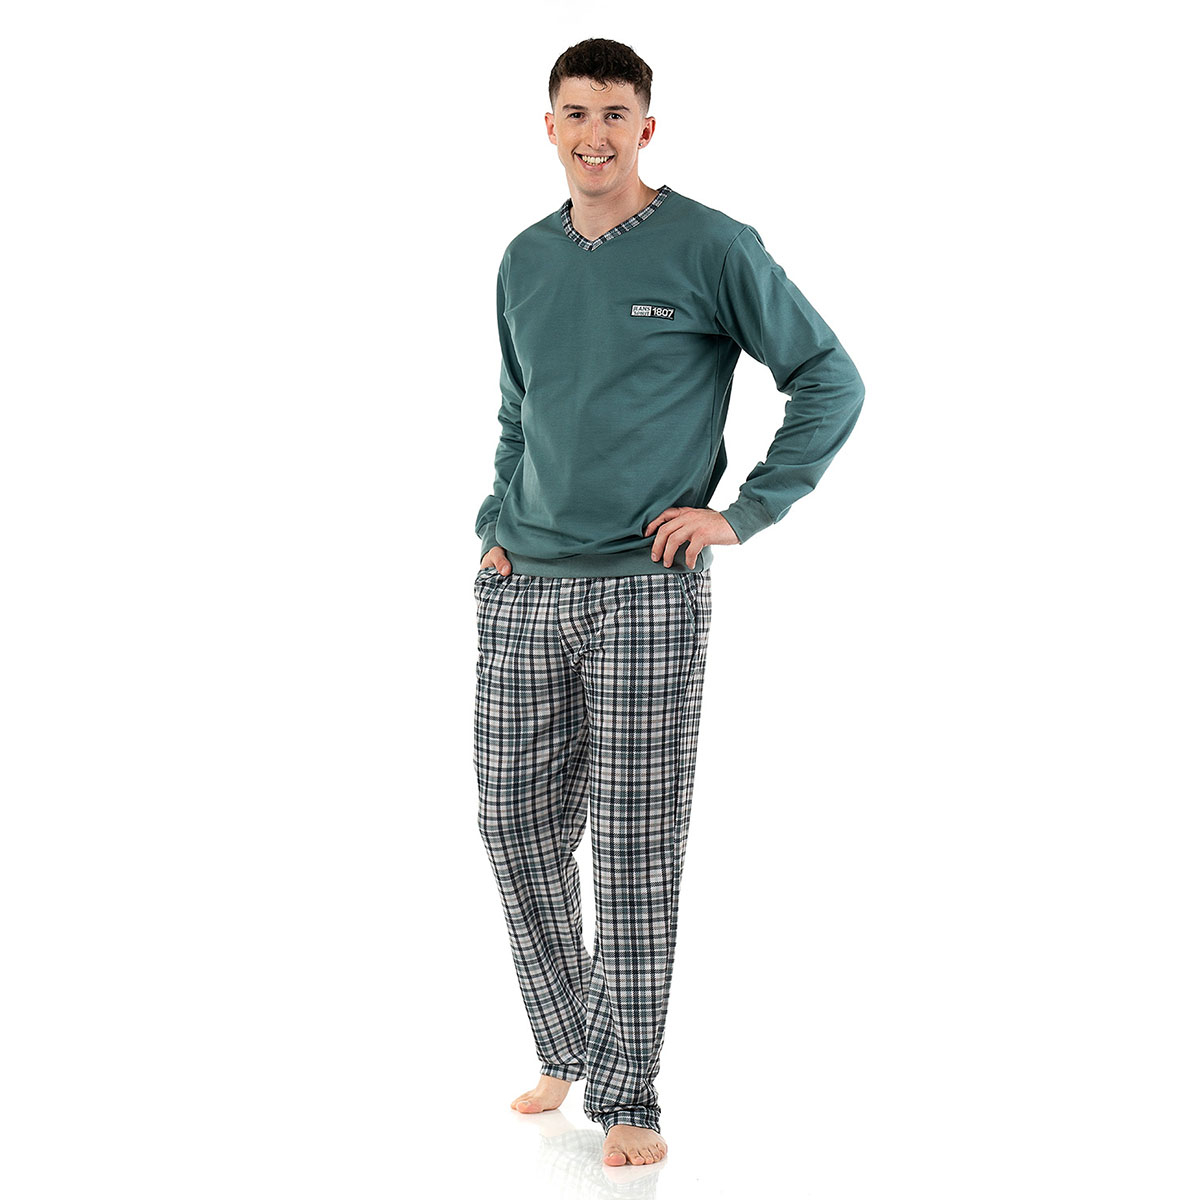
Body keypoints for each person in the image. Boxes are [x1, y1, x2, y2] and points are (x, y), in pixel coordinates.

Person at [473, 37, 865, 1168]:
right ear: (548, 126)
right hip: (522, 584)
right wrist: (495, 523)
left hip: (648, 589)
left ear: (646, 128)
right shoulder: (522, 257)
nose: (593, 134)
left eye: (615, 114)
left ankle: (628, 1092)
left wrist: (746, 512)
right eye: (574, 113)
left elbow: (829, 378)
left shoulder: (712, 245)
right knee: (512, 826)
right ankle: (569, 1043)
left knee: (636, 846)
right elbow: (518, 408)